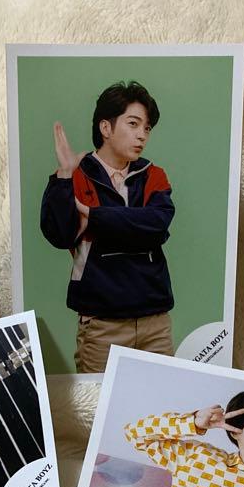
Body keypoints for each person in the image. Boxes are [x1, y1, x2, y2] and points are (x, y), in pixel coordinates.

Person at [39, 81, 175, 373]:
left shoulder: (154, 175)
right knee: (98, 401)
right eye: (133, 124)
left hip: (156, 324)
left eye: (147, 128)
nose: (142, 135)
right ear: (106, 127)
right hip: (102, 325)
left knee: (162, 397)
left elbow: (156, 225)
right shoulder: (75, 176)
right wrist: (64, 175)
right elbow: (60, 235)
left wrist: (93, 216)